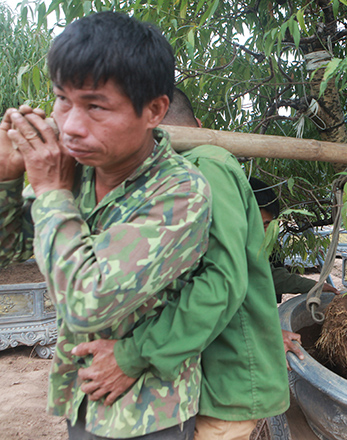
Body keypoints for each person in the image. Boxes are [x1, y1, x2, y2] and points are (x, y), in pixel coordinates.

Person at [0, 12, 212, 439]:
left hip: (147, 413)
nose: (71, 126)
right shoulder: (73, 170)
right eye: (63, 100)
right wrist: (6, 177)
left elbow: (86, 305)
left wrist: (50, 191)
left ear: (154, 110)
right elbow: (8, 252)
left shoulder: (180, 192)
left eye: (95, 106)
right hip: (81, 389)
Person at [71, 86, 290, 440]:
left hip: (227, 377)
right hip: (212, 374)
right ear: (198, 123)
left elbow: (222, 281)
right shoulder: (173, 174)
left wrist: (132, 355)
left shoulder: (205, 166)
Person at [249, 176, 340, 361]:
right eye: (258, 224)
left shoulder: (255, 249)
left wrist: (313, 287)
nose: (264, 232)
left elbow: (271, 277)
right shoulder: (217, 254)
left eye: (268, 224)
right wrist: (267, 332)